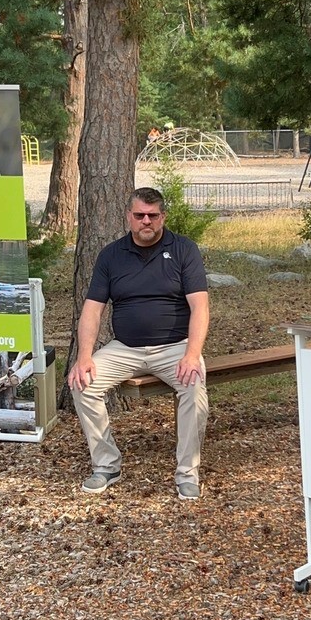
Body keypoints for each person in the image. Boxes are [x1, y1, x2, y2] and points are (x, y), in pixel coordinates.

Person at [69, 187, 209, 499]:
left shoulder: (184, 249)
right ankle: (106, 464)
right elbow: (92, 310)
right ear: (129, 217)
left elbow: (200, 306)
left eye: (152, 215)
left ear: (163, 217)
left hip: (175, 346)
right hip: (125, 348)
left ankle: (187, 472)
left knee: (194, 388)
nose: (146, 221)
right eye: (139, 215)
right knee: (82, 382)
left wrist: (192, 354)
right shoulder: (111, 256)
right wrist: (84, 356)